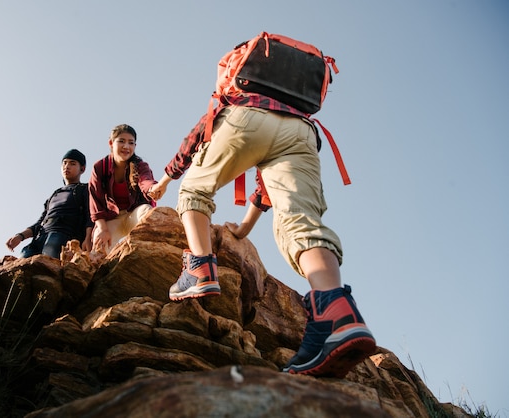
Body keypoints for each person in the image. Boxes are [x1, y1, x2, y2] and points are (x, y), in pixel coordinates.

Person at [148, 54, 376, 379]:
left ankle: (199, 269)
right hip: (302, 133)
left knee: (194, 192)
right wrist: (242, 229)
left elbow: (197, 137)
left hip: (247, 117)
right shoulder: (295, 107)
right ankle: (335, 311)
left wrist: (167, 180)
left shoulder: (236, 97)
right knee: (300, 223)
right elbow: (266, 187)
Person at [6, 149, 94, 258]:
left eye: (72, 163)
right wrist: (20, 236)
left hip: (62, 236)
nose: (67, 166)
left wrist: (88, 239)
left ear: (82, 169)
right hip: (40, 238)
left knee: (48, 265)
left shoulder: (85, 189)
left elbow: (90, 215)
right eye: (64, 163)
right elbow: (40, 222)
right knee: (23, 263)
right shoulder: (55, 194)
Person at [89, 124, 157, 254]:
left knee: (148, 212)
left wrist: (153, 188)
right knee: (99, 246)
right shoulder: (100, 167)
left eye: (131, 143)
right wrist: (103, 229)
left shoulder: (140, 165)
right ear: (111, 143)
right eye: (121, 141)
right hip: (113, 218)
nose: (126, 146)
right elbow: (95, 202)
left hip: (134, 213)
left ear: (135, 146)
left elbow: (146, 181)